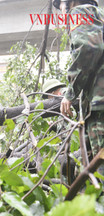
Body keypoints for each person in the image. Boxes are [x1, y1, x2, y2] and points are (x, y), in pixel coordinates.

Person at [54, 0, 104, 158]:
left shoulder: (79, 12)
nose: (61, 11)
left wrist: (70, 93)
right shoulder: (100, 16)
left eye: (61, 5)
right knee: (89, 164)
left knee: (100, 166)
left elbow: (88, 49)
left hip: (100, 104)